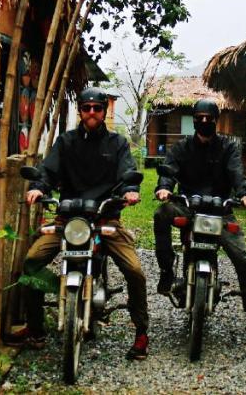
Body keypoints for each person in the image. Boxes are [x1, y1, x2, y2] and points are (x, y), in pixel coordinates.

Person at [22, 87, 151, 360]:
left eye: (97, 108)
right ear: (79, 110)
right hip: (68, 219)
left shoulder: (117, 143)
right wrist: (38, 187)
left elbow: (127, 171)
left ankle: (141, 332)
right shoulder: (66, 142)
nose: (91, 113)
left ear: (104, 111)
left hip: (105, 218)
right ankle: (35, 328)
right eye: (86, 108)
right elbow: (47, 170)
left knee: (136, 271)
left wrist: (130, 190)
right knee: (31, 261)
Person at [153, 98, 246, 331]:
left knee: (243, 259)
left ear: (216, 121)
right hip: (188, 207)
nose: (204, 122)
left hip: (220, 211)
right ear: (193, 121)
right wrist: (164, 187)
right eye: (199, 119)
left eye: (208, 119)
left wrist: (245, 193)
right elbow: (169, 170)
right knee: (161, 213)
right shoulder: (181, 147)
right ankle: (166, 270)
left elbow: (237, 173)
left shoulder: (228, 147)